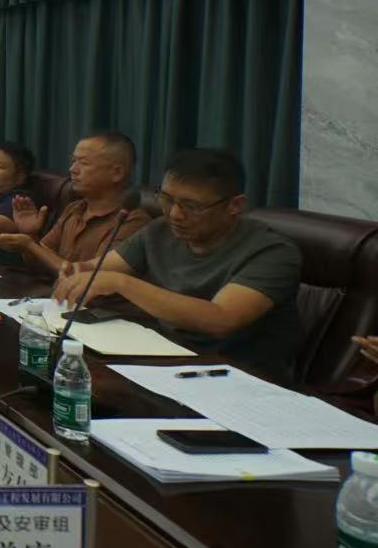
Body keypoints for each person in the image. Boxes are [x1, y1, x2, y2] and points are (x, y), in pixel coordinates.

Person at [53, 148, 302, 380]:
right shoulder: (159, 231)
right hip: (168, 358)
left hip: (238, 375)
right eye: (167, 199)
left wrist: (121, 283)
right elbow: (101, 268)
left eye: (192, 206)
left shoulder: (273, 253)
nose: (175, 214)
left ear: (234, 205)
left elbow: (222, 319)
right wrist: (77, 271)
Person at [0, 132, 150, 274]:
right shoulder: (75, 208)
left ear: (117, 173)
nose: (72, 169)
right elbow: (39, 264)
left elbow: (90, 277)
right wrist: (31, 235)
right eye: (73, 161)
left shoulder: (132, 221)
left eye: (83, 163)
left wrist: (30, 245)